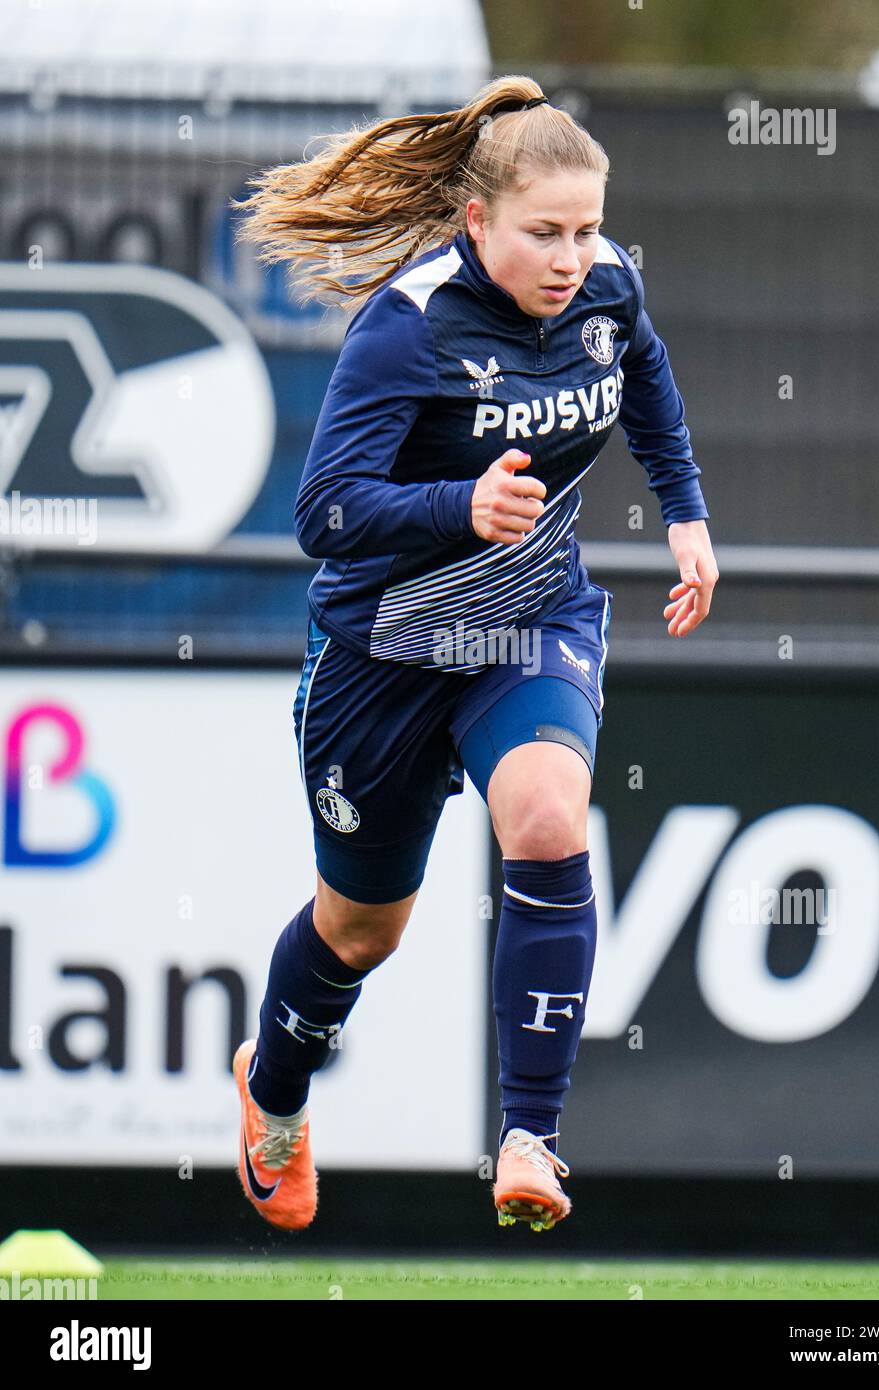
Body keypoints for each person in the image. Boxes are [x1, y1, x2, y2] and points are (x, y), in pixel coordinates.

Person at [228, 76, 718, 1234]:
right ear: (476, 223)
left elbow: (643, 374)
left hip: (529, 624)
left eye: (587, 229)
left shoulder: (607, 287)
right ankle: (273, 1093)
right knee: (361, 931)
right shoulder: (410, 323)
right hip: (386, 650)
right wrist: (460, 506)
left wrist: (686, 511)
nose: (570, 256)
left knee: (550, 817)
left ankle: (529, 1137)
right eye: (542, 232)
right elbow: (324, 514)